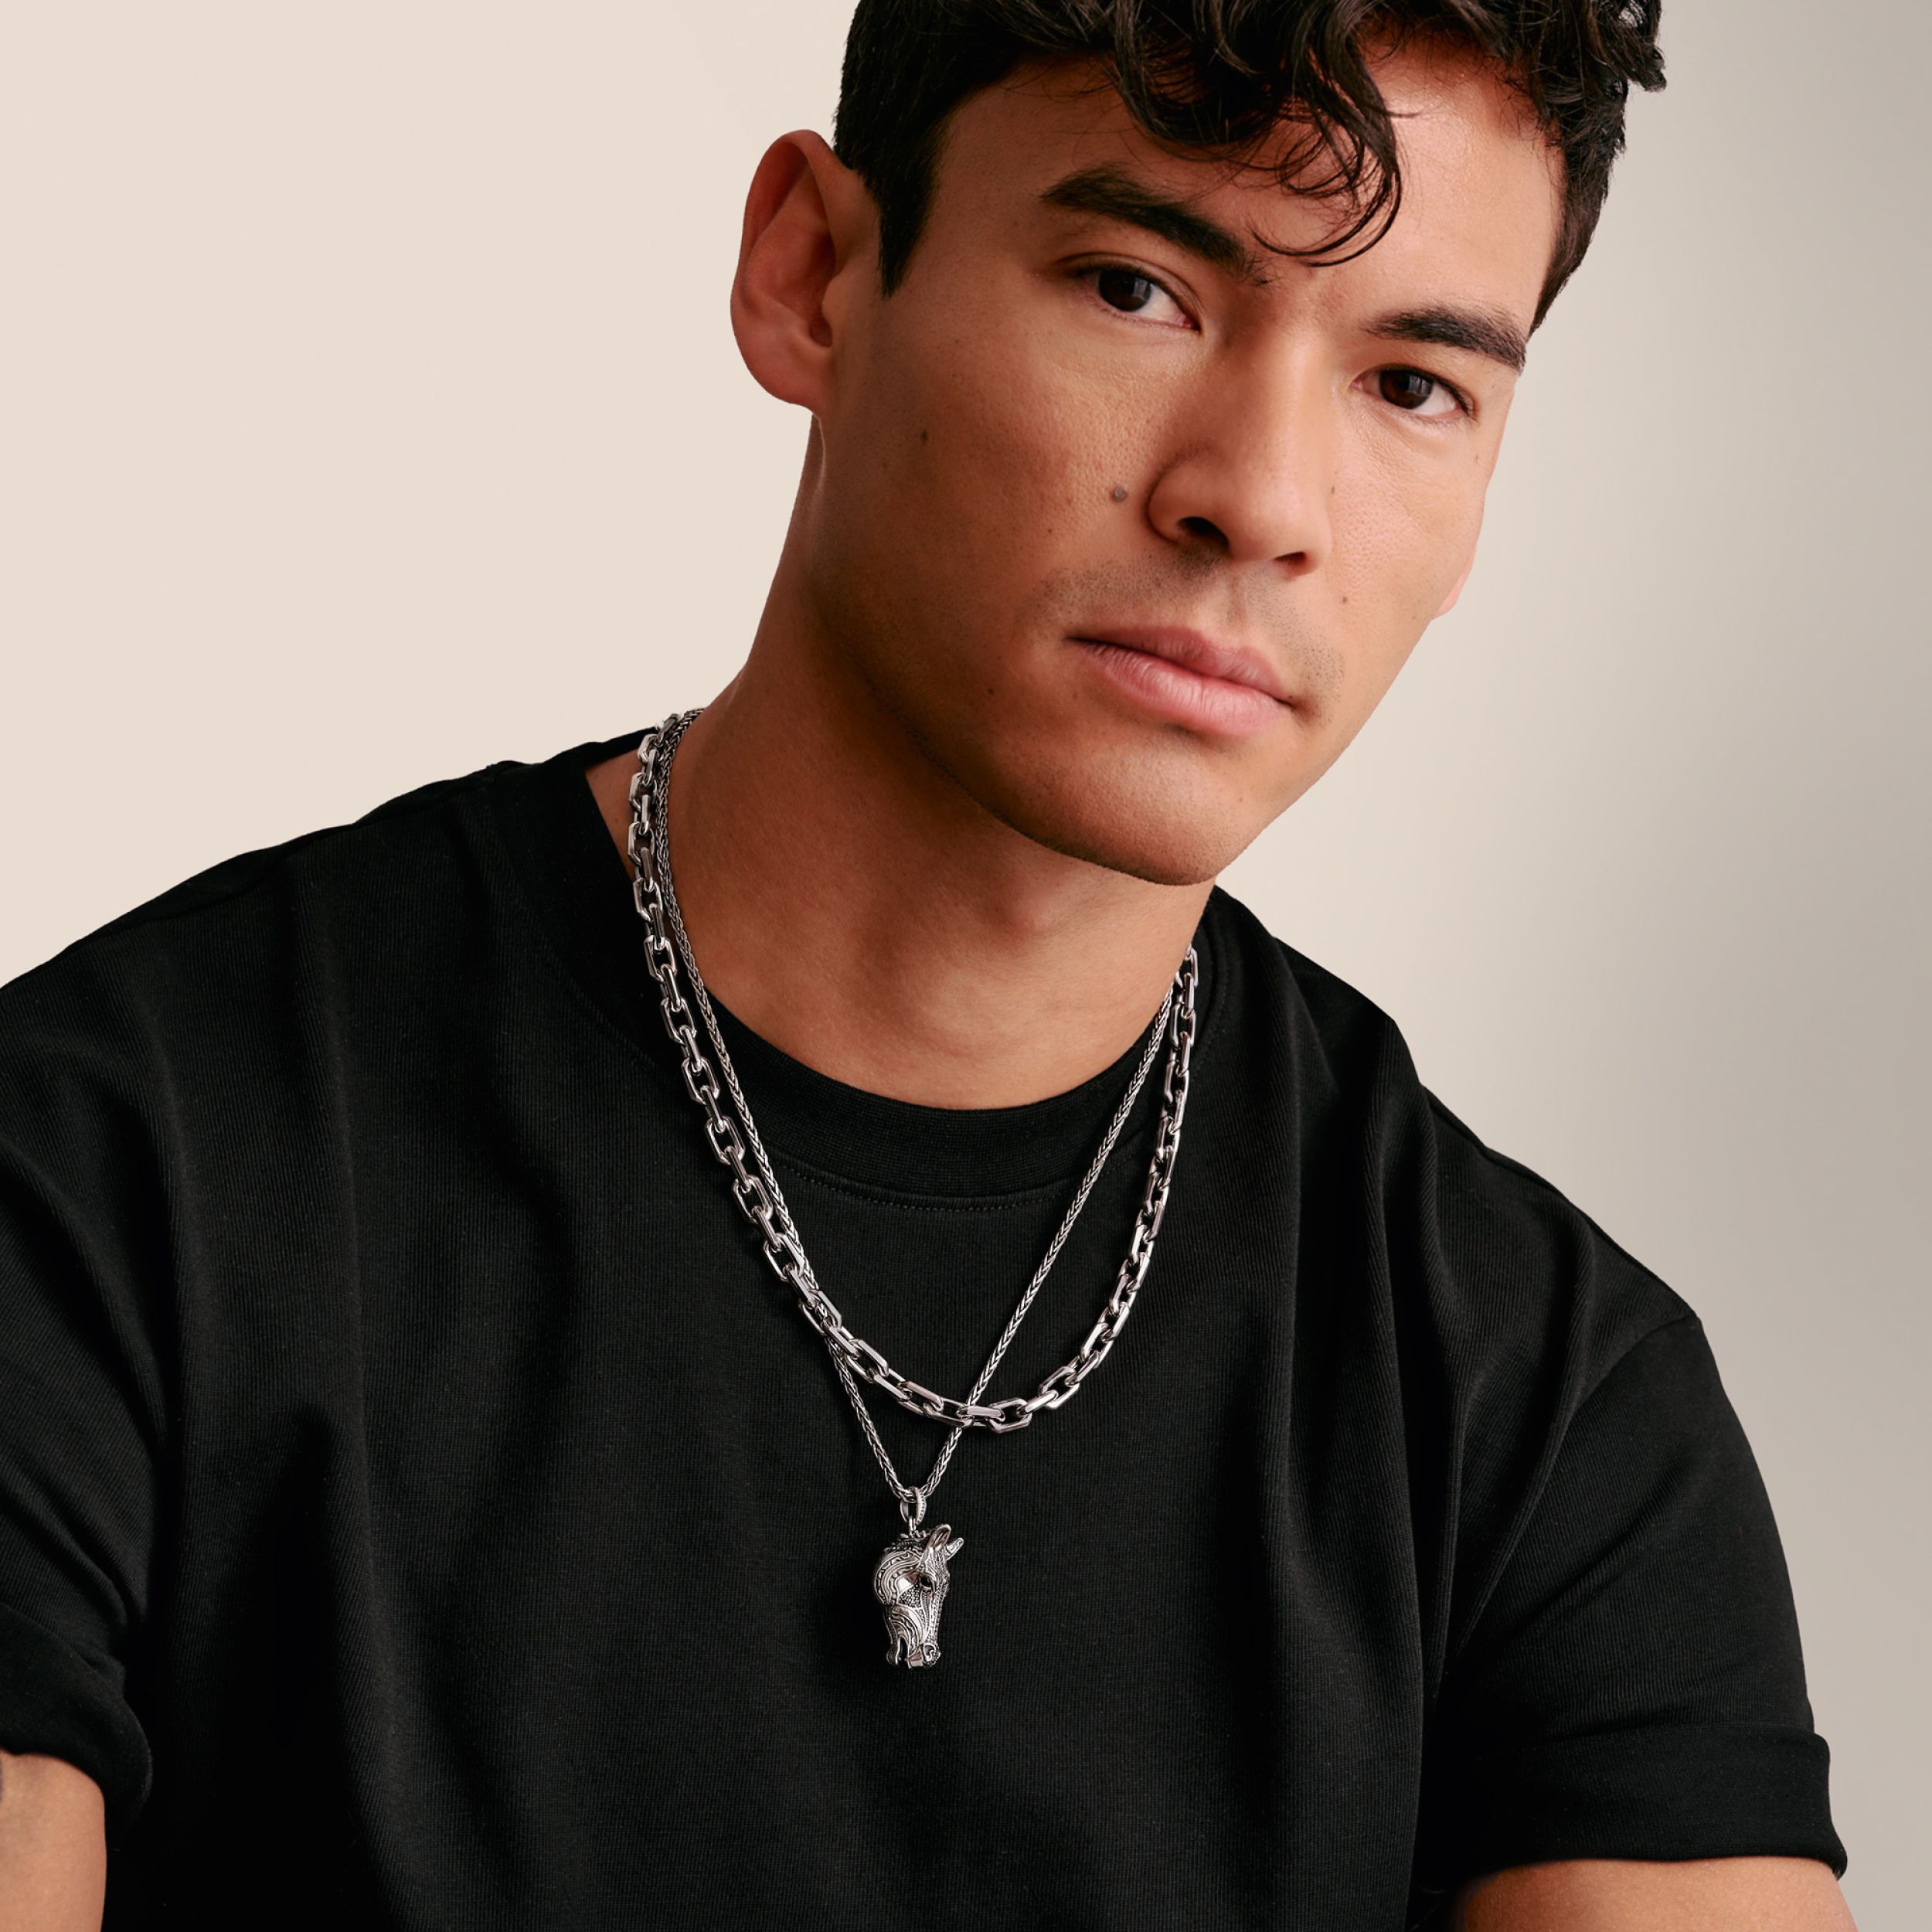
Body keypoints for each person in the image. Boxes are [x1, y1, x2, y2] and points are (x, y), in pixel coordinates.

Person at [0, 2, 1857, 1927]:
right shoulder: (110, 1174)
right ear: (811, 272)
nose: (1259, 499)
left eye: (1411, 384)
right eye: (1135, 287)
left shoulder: (1546, 1406)